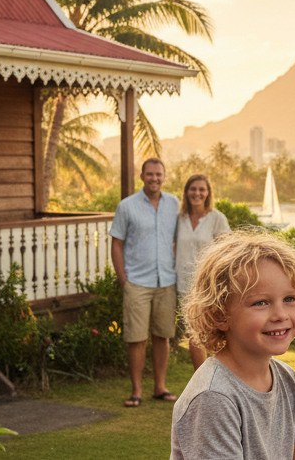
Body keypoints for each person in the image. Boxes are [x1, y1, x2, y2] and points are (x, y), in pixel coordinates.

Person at [171, 231, 295, 460]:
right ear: (220, 315)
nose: (280, 315)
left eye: (289, 299)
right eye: (261, 302)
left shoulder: (288, 379)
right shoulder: (213, 397)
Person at [110, 158, 180, 407]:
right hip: (137, 282)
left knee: (163, 336)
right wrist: (124, 280)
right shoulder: (126, 206)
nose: (154, 178)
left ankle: (160, 387)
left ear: (164, 176)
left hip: (166, 280)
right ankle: (136, 390)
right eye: (150, 174)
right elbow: (116, 244)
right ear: (142, 176)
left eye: (159, 174)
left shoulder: (174, 204)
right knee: (136, 338)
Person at [175, 174, 231, 370]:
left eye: (201, 189)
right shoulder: (179, 218)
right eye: (193, 189)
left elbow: (227, 252)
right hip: (183, 284)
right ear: (186, 192)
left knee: (215, 333)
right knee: (194, 335)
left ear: (208, 193)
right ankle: (202, 379)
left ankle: (221, 376)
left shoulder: (216, 219)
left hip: (209, 285)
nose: (197, 193)